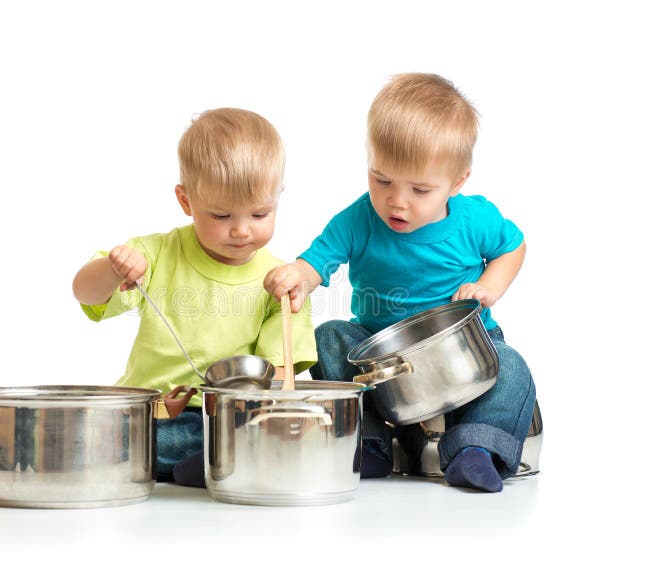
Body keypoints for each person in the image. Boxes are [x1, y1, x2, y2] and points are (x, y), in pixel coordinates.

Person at [264, 73, 536, 492]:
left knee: (512, 367)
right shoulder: (358, 218)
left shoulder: (474, 218)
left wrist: (489, 287)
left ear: (457, 182)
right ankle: (368, 441)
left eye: (420, 189)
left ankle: (474, 449)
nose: (397, 200)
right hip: (380, 354)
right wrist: (299, 274)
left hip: (463, 347)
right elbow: (318, 260)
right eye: (382, 179)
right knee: (329, 336)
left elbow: (512, 247)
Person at [73, 108, 317, 487]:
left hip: (222, 418)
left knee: (244, 435)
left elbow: (278, 379)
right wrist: (113, 270)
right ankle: (212, 463)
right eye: (221, 215)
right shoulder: (154, 255)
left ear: (278, 198)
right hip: (152, 413)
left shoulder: (281, 283)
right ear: (186, 202)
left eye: (260, 213)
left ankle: (211, 458)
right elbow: (84, 292)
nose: (241, 230)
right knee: (104, 432)